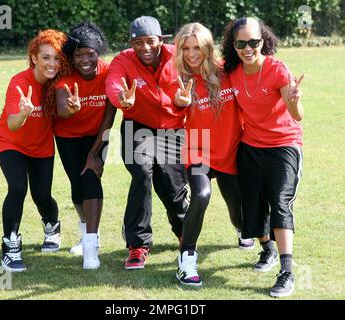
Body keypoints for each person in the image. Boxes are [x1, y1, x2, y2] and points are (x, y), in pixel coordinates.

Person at [221, 17, 304, 297]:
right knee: (252, 207)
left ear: (263, 41)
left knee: (280, 204)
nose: (248, 48)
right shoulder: (231, 73)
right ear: (234, 46)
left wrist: (293, 99)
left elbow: (297, 115)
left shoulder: (277, 69)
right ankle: (267, 249)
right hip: (251, 147)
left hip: (283, 145)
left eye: (254, 42)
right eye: (241, 43)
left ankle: (287, 271)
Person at [172, 22, 254, 287]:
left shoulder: (229, 70)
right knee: (201, 194)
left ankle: (243, 229)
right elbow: (173, 107)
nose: (192, 54)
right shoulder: (180, 77)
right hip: (198, 149)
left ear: (207, 47)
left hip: (230, 150)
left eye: (197, 47)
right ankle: (186, 259)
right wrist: (179, 102)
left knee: (239, 215)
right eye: (186, 48)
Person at [105, 16, 190, 270]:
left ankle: (184, 233)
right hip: (137, 127)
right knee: (142, 175)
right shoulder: (123, 60)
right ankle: (138, 244)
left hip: (172, 129)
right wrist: (122, 98)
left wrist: (182, 101)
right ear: (132, 43)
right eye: (138, 42)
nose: (145, 48)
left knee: (173, 187)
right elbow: (113, 84)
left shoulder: (177, 56)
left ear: (160, 41)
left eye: (150, 41)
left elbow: (210, 67)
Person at [0, 29, 68, 272]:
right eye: (46, 57)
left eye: (56, 58)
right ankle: (10, 245)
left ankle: (51, 226)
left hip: (41, 147)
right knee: (17, 188)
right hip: (10, 142)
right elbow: (13, 123)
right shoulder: (19, 81)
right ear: (34, 58)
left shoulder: (59, 83)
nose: (52, 63)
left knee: (42, 196)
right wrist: (24, 113)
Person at [55, 21, 116, 269]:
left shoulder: (108, 72)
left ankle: (91, 248)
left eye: (89, 54)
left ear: (98, 52)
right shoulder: (66, 76)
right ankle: (87, 234)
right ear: (72, 56)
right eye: (78, 55)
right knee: (77, 185)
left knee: (91, 177)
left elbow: (109, 117)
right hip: (67, 135)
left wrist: (94, 154)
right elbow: (61, 109)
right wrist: (71, 109)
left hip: (98, 135)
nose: (84, 60)